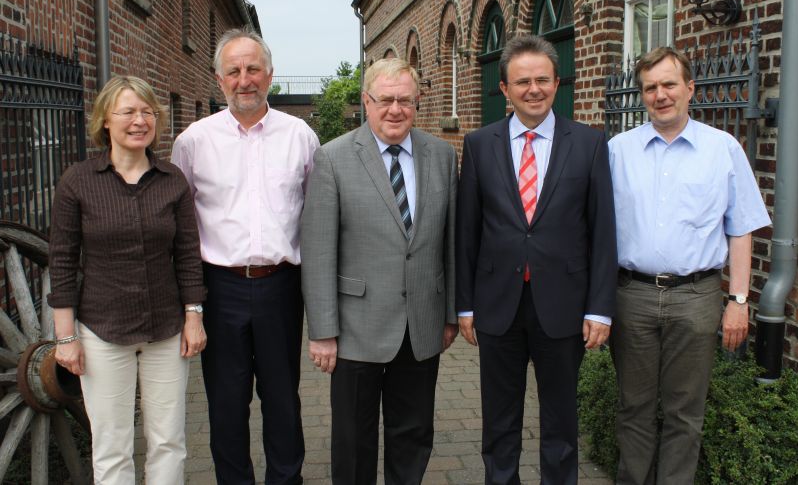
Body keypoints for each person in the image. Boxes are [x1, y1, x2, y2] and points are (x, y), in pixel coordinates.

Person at [456, 34, 617, 485]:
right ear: (504, 89)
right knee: (499, 421)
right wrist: (464, 304)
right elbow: (468, 231)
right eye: (522, 81)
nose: (533, 89)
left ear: (557, 82)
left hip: (564, 304)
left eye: (542, 79)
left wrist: (600, 307)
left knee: (562, 421)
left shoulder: (589, 143)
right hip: (497, 304)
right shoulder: (478, 144)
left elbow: (603, 232)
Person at [607, 46, 771, 485]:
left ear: (690, 88)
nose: (660, 95)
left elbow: (741, 229)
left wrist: (738, 301)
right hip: (632, 295)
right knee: (633, 406)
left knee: (685, 411)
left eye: (669, 84)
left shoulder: (723, 150)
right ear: (642, 95)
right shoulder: (618, 151)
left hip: (697, 297)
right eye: (650, 88)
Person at [300, 57, 459, 485]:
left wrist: (449, 313)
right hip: (355, 326)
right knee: (353, 439)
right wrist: (322, 331)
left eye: (405, 100)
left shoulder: (442, 155)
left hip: (421, 322)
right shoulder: (332, 158)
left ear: (418, 102)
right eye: (385, 99)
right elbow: (317, 251)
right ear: (366, 102)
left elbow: (450, 242)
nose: (395, 109)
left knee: (413, 433)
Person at [171, 29, 319, 485]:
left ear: (269, 75)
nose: (244, 79)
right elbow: (179, 226)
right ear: (219, 80)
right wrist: (190, 303)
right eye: (233, 71)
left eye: (253, 69)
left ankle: (285, 479)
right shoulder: (194, 142)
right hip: (220, 288)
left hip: (281, 285)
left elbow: (316, 216)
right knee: (226, 402)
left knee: (282, 399)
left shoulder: (301, 137)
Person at [48, 76, 206, 484]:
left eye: (148, 112)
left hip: (166, 331)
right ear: (105, 120)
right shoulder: (78, 182)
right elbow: (62, 261)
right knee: (112, 444)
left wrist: (194, 315)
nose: (140, 121)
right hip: (103, 330)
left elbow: (188, 255)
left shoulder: (172, 181)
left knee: (168, 441)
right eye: (129, 112)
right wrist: (65, 338)